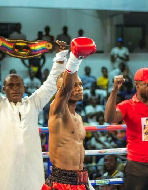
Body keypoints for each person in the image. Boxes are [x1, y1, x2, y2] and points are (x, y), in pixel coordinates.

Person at [0, 34, 69, 190]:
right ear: (3, 89)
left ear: (24, 87)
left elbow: (51, 85)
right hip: (6, 168)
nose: (15, 88)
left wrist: (60, 56)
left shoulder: (33, 103)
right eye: (11, 85)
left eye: (18, 85)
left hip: (31, 167)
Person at [104, 67, 148, 190]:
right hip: (136, 165)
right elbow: (109, 118)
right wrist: (114, 90)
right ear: (137, 85)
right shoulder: (127, 105)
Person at [42, 37, 96, 190]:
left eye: (80, 84)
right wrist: (74, 59)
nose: (78, 88)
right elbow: (65, 89)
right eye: (74, 85)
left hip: (81, 181)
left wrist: (86, 183)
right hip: (60, 183)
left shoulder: (78, 117)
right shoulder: (57, 112)